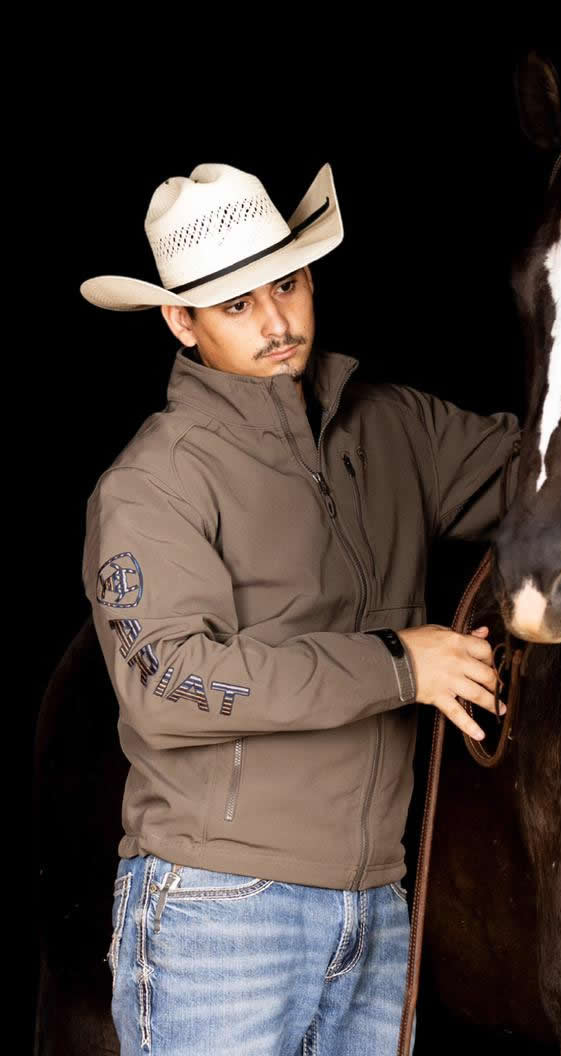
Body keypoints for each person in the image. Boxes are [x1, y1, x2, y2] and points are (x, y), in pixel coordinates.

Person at [79, 160, 521, 1055]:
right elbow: (171, 683)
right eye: (236, 304)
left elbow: (554, 477)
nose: (278, 322)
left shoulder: (392, 429)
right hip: (217, 909)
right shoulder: (154, 481)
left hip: (378, 912)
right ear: (181, 319)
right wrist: (400, 665)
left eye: (287, 284)